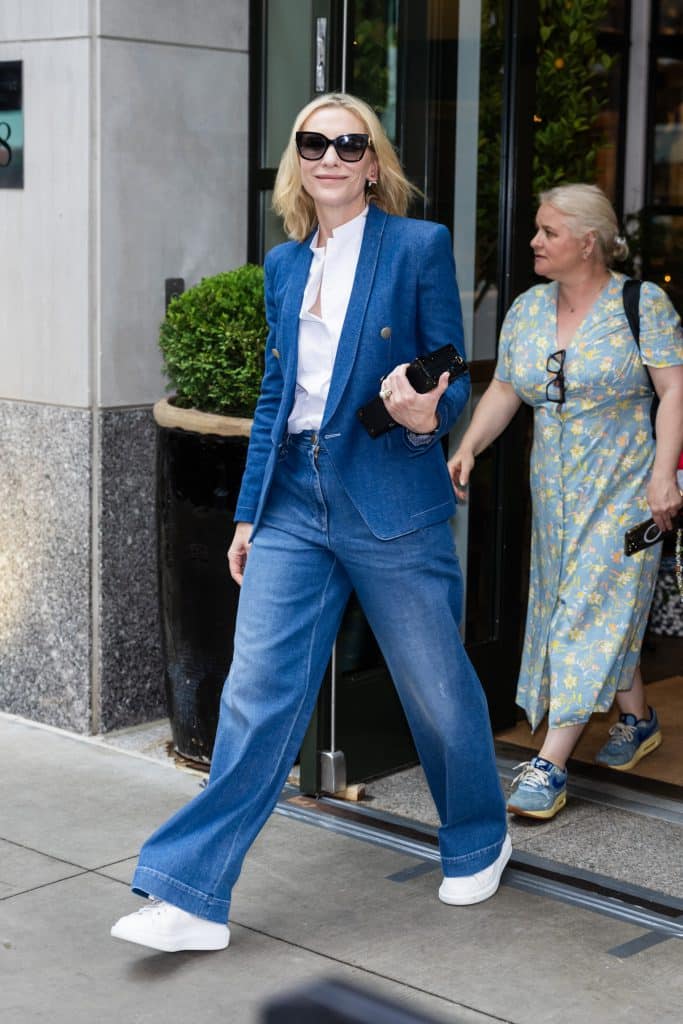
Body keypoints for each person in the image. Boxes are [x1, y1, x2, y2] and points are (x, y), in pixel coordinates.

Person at [110, 92, 510, 953]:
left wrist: (424, 417)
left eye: (349, 142)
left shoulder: (415, 245)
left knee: (435, 687)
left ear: (372, 162)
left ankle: (478, 834)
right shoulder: (285, 264)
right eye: (314, 141)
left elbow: (452, 378)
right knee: (255, 695)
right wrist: (247, 514)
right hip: (294, 497)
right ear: (297, 159)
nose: (330, 155)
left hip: (388, 499)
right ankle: (191, 895)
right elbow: (274, 398)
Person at [449, 184, 683, 821]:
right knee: (581, 608)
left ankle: (549, 764)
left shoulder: (643, 305)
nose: (534, 241)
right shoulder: (527, 309)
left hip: (626, 493)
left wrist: (665, 476)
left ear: (588, 241)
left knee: (585, 614)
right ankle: (638, 719)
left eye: (548, 232)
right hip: (553, 500)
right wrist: (468, 446)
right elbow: (506, 388)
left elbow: (673, 392)